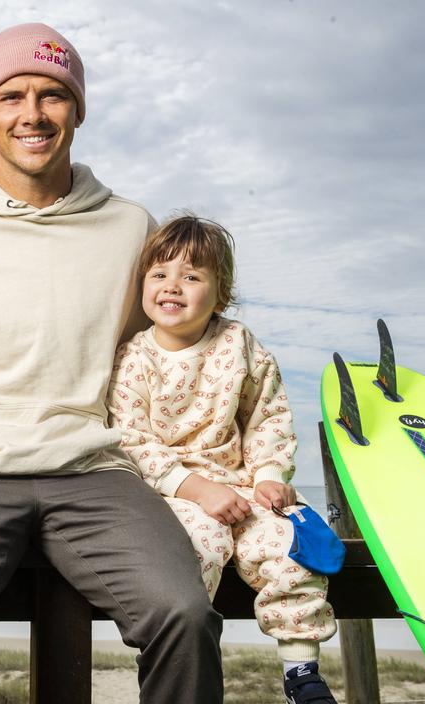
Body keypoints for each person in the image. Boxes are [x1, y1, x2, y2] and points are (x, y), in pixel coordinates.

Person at [0, 23, 224, 703]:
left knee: (184, 614)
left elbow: (161, 350)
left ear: (77, 110)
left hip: (96, 472)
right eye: (12, 97)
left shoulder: (130, 228)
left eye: (52, 96)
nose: (32, 115)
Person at [107, 214, 339, 703]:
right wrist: (196, 490)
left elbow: (267, 416)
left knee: (290, 540)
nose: (173, 286)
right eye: (160, 274)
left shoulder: (239, 344)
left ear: (221, 292)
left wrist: (270, 477)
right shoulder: (134, 359)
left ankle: (301, 669)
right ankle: (178, 654)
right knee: (201, 546)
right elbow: (131, 441)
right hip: (174, 492)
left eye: (191, 276)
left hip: (242, 484)